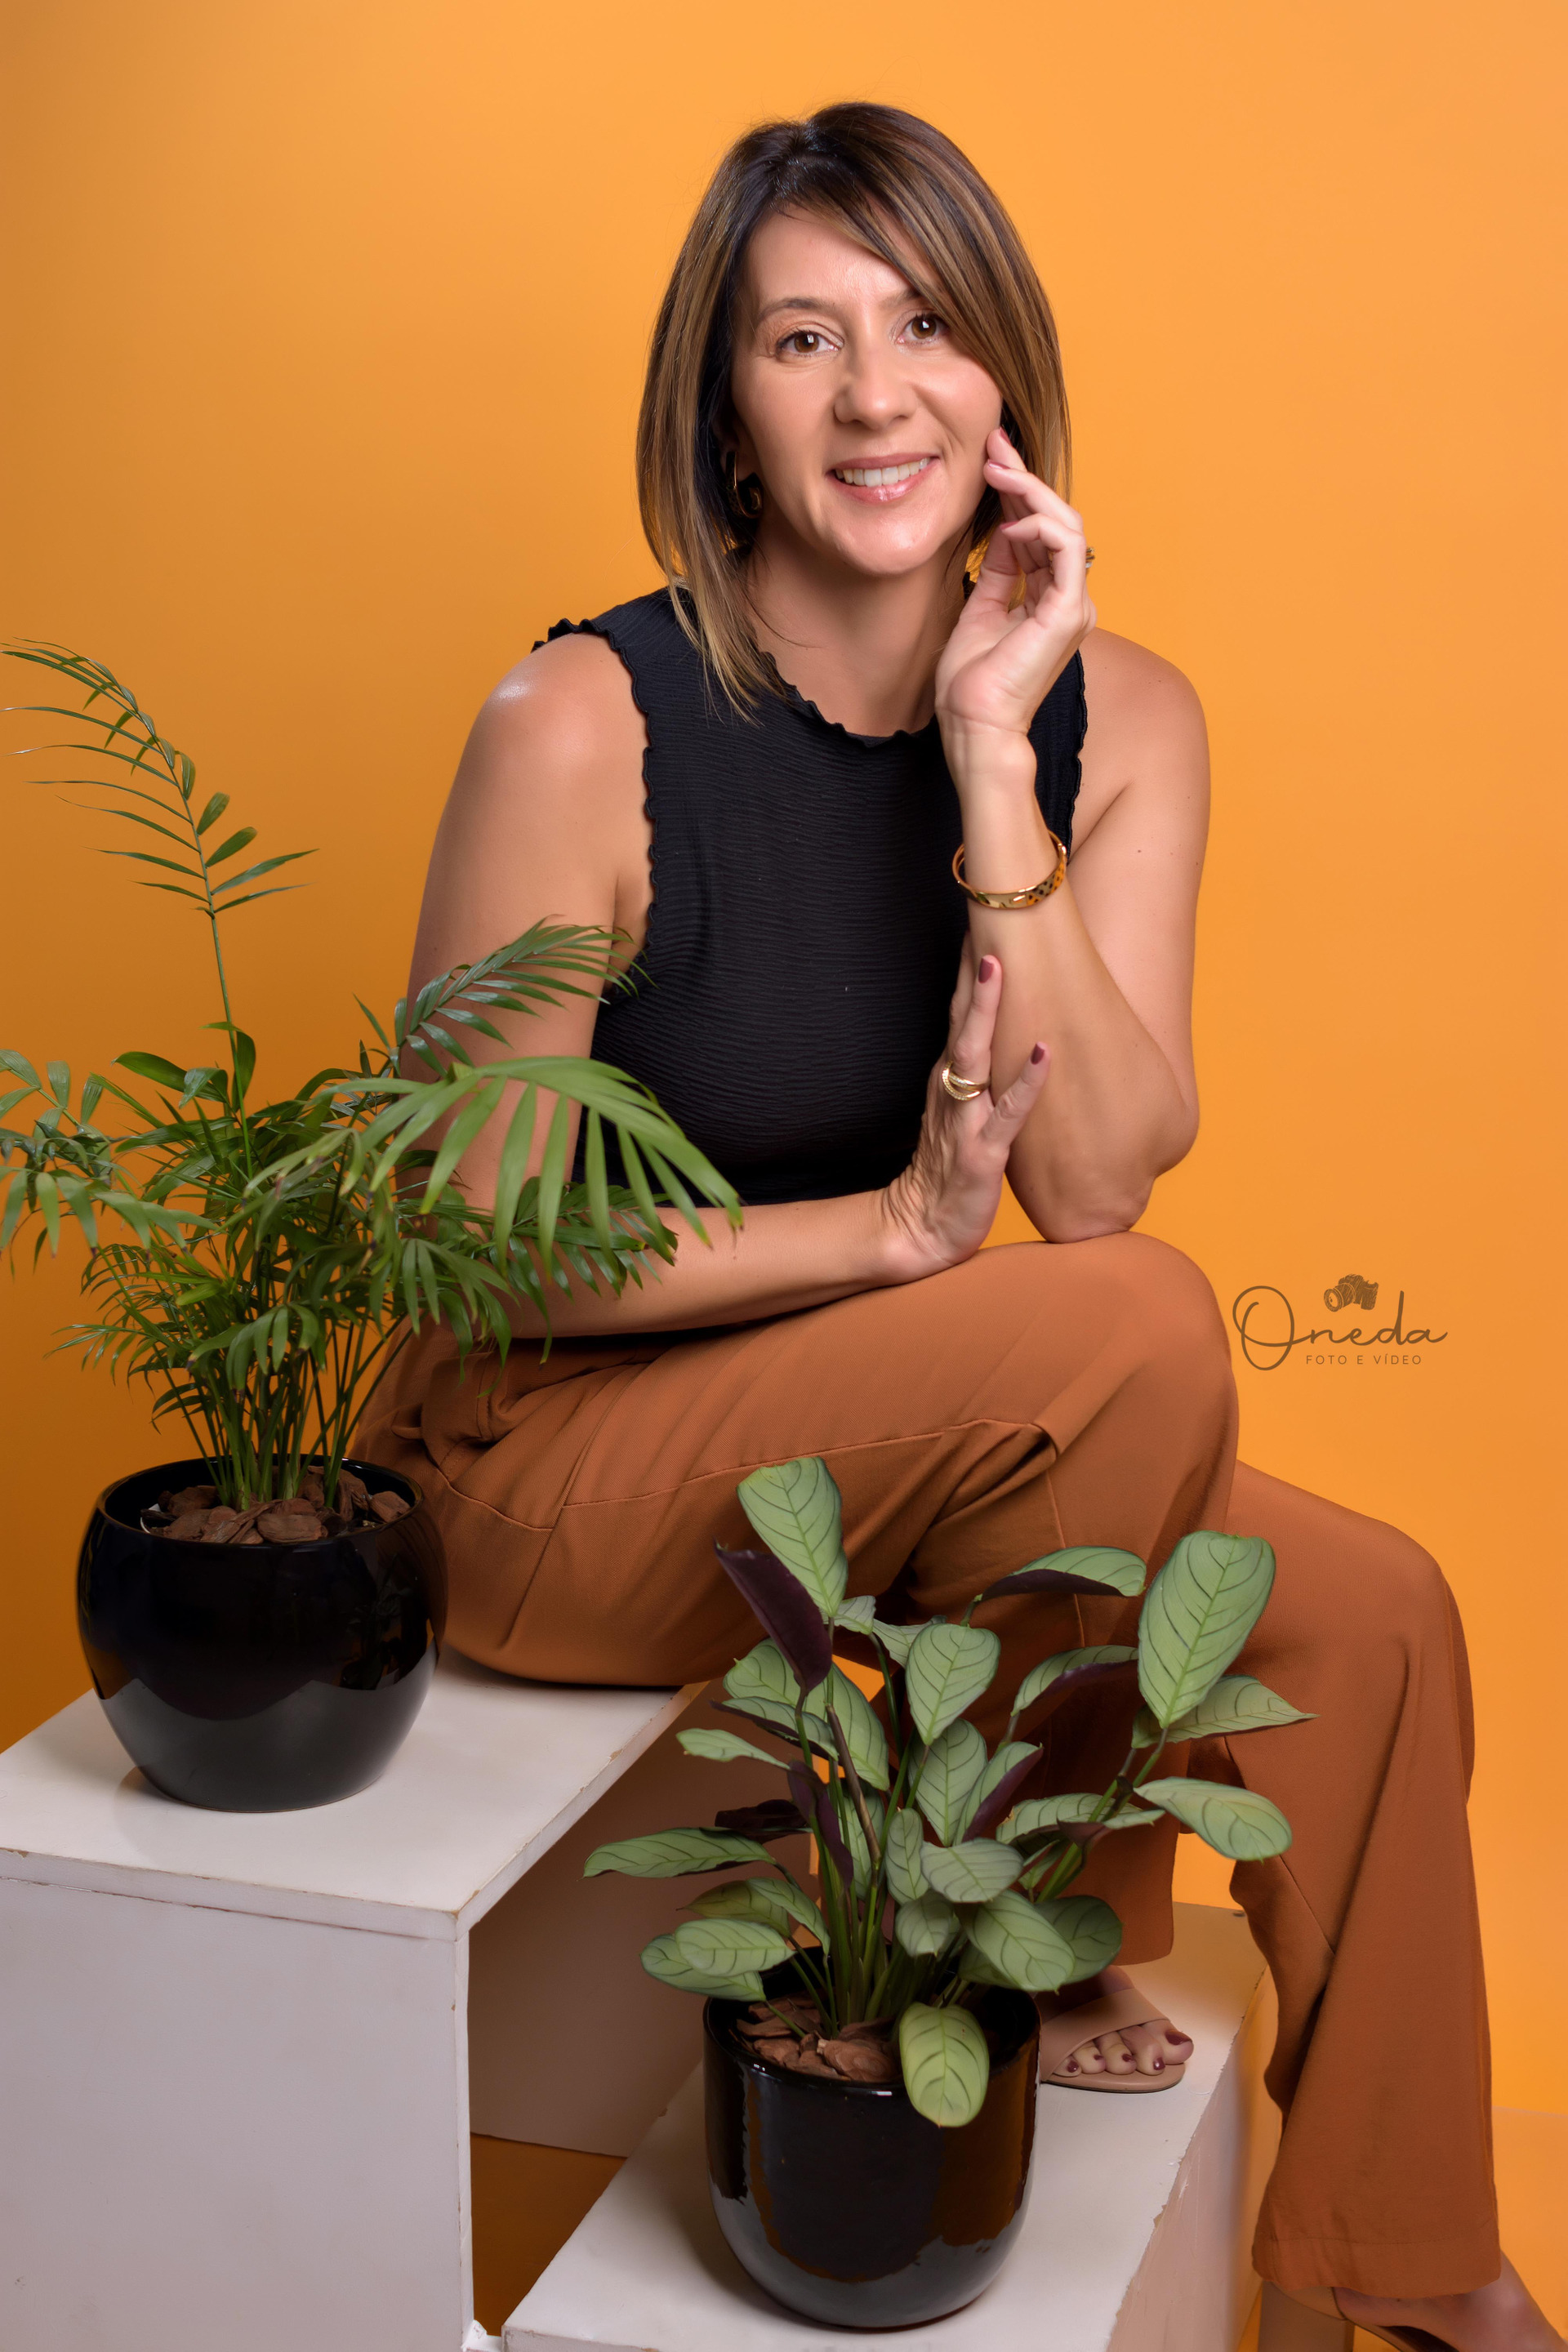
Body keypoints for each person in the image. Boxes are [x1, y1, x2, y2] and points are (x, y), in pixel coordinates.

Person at [363, 104, 1559, 2351]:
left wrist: (999, 763)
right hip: (541, 1465)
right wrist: (891, 1237)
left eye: (923, 325)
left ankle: (1420, 2262)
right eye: (800, 339)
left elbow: (1092, 1172)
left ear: (1005, 370)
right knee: (1134, 1329)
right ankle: (1030, 1922)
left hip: (861, 1461)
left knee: (1376, 1613)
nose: (874, 395)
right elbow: (475, 1250)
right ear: (723, 406)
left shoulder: (1126, 720)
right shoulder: (587, 722)